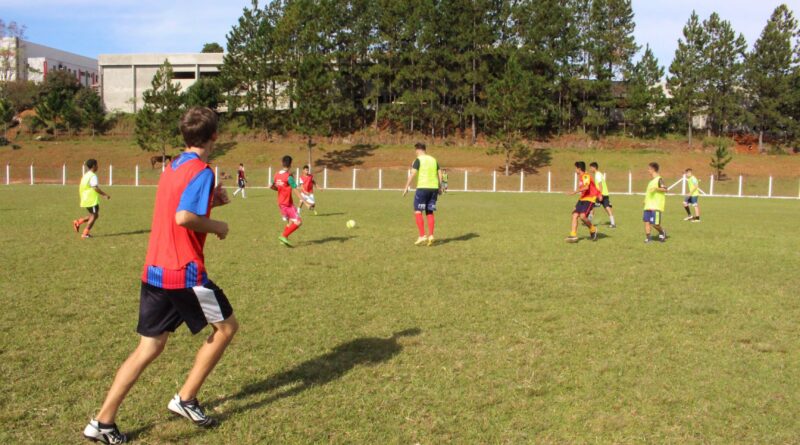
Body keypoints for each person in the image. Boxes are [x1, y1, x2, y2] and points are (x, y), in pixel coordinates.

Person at [82, 107, 238, 444]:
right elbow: (183, 217)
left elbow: (176, 208)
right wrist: (218, 226)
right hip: (184, 273)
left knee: (149, 346)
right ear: (214, 137)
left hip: (155, 269)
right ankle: (186, 398)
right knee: (226, 328)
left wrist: (212, 203)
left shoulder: (173, 166)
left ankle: (103, 421)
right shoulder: (203, 170)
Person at [403, 142, 443, 246]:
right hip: (434, 188)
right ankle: (431, 235)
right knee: (429, 211)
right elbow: (440, 172)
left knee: (418, 211)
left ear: (417, 150)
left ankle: (422, 235)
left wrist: (406, 186)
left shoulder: (418, 160)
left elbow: (413, 173)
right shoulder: (434, 160)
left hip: (422, 188)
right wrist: (440, 186)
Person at [73, 159, 111, 239]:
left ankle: (78, 222)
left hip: (85, 198)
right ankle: (85, 233)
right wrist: (104, 195)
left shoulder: (86, 175)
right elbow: (95, 188)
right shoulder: (93, 176)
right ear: (94, 166)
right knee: (94, 216)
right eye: (97, 165)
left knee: (94, 215)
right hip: (90, 199)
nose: (98, 166)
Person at [565, 161, 600, 243]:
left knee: (583, 216)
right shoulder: (581, 177)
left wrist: (574, 192)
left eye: (575, 168)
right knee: (574, 215)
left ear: (579, 168)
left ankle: (593, 229)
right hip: (582, 198)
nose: (575, 170)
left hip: (590, 199)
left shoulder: (585, 176)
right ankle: (573, 235)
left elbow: (587, 187)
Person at [272, 155, 302, 247]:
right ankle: (283, 236)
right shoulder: (288, 177)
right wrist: (303, 199)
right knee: (298, 222)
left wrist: (280, 189)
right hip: (288, 203)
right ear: (290, 164)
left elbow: (273, 186)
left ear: (282, 163)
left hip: (280, 203)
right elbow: (295, 189)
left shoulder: (276, 175)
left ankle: (283, 240)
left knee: (289, 222)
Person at [644, 162, 668, 243]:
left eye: (649, 169)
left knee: (655, 224)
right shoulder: (651, 181)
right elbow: (648, 193)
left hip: (656, 206)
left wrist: (656, 189)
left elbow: (665, 189)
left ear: (653, 169)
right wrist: (645, 200)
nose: (648, 171)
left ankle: (662, 232)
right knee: (647, 222)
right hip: (648, 205)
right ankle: (648, 238)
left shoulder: (659, 179)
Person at [589, 162, 616, 228]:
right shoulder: (599, 174)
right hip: (605, 193)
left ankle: (588, 222)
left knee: (591, 206)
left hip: (601, 194)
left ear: (594, 168)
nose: (590, 169)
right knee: (607, 208)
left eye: (591, 168)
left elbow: (600, 185)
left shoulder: (597, 174)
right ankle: (613, 224)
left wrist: (600, 195)